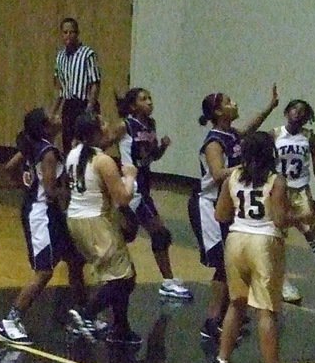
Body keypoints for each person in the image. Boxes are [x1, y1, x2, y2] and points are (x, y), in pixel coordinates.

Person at [206, 131, 301, 363]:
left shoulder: (233, 178)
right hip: (265, 243)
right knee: (266, 310)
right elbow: (280, 220)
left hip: (236, 240)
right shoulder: (276, 181)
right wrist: (301, 216)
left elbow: (220, 213)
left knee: (236, 303)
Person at [188, 85, 279, 343]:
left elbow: (249, 130)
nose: (235, 103)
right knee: (220, 262)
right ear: (218, 111)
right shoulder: (214, 142)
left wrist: (270, 107)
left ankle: (223, 316)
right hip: (206, 204)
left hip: (225, 203)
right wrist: (249, 165)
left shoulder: (231, 134)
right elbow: (218, 175)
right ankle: (212, 320)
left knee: (228, 264)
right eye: (230, 101)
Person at [0, 106, 86, 345]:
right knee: (44, 271)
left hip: (45, 210)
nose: (58, 118)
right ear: (46, 127)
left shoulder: (31, 146)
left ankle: (83, 313)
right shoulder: (48, 153)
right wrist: (71, 190)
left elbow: (9, 168)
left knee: (75, 260)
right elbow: (52, 191)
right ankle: (10, 321)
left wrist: (27, 188)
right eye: (53, 117)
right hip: (42, 213)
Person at [64, 110, 142, 345]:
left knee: (117, 275)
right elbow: (123, 197)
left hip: (76, 219)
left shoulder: (73, 153)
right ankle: (86, 313)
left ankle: (121, 328)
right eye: (103, 123)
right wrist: (129, 176)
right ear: (96, 131)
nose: (108, 125)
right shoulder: (102, 160)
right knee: (124, 279)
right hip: (96, 221)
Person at [115, 86, 193, 301]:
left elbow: (152, 156)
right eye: (143, 99)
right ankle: (165, 280)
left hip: (145, 183)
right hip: (133, 187)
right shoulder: (125, 126)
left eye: (150, 98)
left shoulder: (151, 125)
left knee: (133, 234)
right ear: (132, 105)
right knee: (156, 233)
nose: (149, 102)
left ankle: (111, 267)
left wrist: (164, 148)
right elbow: (103, 144)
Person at [273, 98, 315, 305]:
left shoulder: (310, 138)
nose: (298, 113)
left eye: (303, 111)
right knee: (277, 237)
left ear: (307, 117)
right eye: (294, 109)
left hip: (301, 190)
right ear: (286, 112)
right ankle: (283, 283)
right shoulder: (274, 134)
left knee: (312, 233)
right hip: (280, 191)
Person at [53, 17, 100, 154]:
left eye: (71, 32)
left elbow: (95, 83)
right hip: (69, 105)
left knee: (85, 144)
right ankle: (69, 173)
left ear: (77, 33)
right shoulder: (60, 56)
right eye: (65, 32)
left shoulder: (87, 54)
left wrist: (89, 109)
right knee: (68, 142)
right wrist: (53, 112)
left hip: (84, 104)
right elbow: (60, 88)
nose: (68, 35)